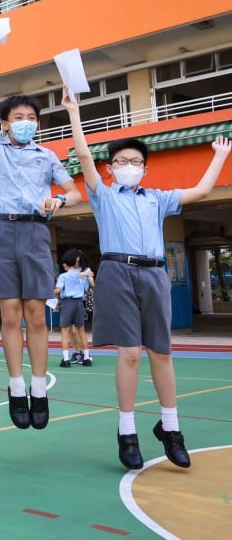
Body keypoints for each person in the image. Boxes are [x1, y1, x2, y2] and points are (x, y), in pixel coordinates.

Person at [62, 84, 230, 470]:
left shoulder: (157, 197)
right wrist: (73, 112)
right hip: (117, 272)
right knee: (131, 354)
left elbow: (202, 190)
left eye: (136, 161)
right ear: (110, 168)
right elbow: (84, 155)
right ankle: (127, 432)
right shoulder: (104, 195)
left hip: (154, 274)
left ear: (145, 168)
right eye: (121, 161)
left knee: (162, 353)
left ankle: (171, 429)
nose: (129, 165)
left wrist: (220, 156)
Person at [0, 27, 82, 430]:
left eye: (32, 118)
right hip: (1, 232)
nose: (26, 123)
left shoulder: (46, 155)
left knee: (36, 314)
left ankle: (38, 387)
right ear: (4, 124)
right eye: (18, 118)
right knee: (10, 313)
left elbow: (74, 192)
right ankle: (16, 387)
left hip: (35, 232)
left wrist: (59, 201)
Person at [55, 249, 93, 368]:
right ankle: (86, 358)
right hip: (79, 303)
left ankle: (66, 359)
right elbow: (87, 289)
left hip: (67, 303)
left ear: (65, 264)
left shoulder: (63, 276)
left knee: (65, 332)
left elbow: (58, 290)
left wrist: (48, 292)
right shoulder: (82, 275)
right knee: (81, 331)